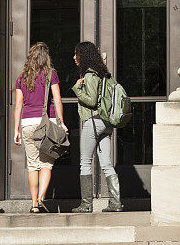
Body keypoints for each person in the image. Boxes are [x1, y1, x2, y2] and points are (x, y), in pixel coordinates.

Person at [14, 41, 67, 213]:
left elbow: (18, 105)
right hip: (46, 124)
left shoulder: (22, 78)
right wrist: (62, 122)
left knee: (32, 165)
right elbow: (57, 99)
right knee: (46, 164)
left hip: (27, 124)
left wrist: (16, 129)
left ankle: (34, 204)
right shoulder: (51, 75)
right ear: (46, 58)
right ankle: (42, 197)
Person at [71, 41, 122, 213]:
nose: (74, 57)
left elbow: (91, 100)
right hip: (106, 124)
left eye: (76, 54)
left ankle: (86, 204)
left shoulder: (90, 75)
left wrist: (78, 89)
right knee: (107, 163)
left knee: (85, 162)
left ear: (83, 55)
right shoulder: (104, 75)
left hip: (93, 122)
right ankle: (115, 203)